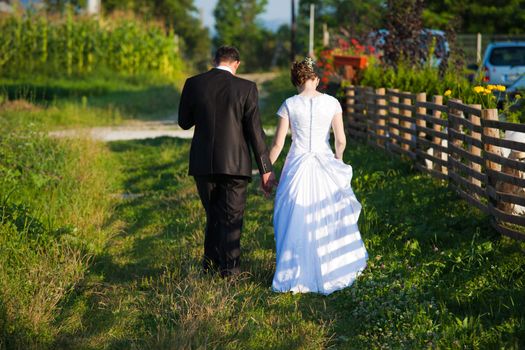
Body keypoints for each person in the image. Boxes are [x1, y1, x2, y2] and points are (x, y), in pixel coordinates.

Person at [269, 57, 368, 295]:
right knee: (329, 215)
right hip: (324, 163)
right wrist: (339, 159)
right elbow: (341, 140)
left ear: (296, 81)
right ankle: (331, 265)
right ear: (317, 79)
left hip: (297, 165)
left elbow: (278, 143)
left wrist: (266, 169)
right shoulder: (332, 102)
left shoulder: (289, 104)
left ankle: (293, 270)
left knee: (293, 216)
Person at [178, 46, 276, 277]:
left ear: (214, 60)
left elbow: (184, 122)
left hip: (203, 163)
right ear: (237, 64)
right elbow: (255, 132)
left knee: (212, 213)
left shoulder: (194, 83)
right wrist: (265, 170)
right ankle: (229, 270)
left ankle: (210, 266)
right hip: (236, 165)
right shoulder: (246, 88)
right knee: (231, 216)